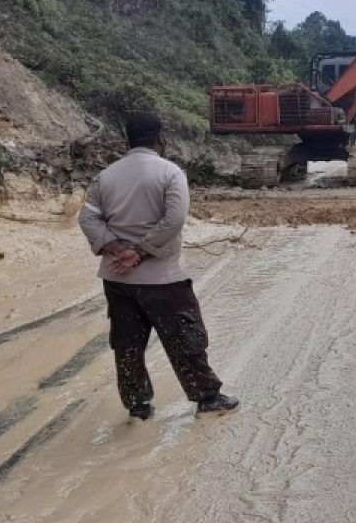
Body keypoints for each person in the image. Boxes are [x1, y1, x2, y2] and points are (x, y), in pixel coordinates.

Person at [79, 112, 238, 420]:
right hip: (163, 278)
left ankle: (138, 407)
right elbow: (174, 219)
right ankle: (207, 397)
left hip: (117, 278)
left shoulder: (105, 176)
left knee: (127, 344)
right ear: (160, 140)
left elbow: (88, 218)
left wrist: (116, 248)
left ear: (129, 140)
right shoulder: (170, 173)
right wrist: (140, 252)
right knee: (184, 338)